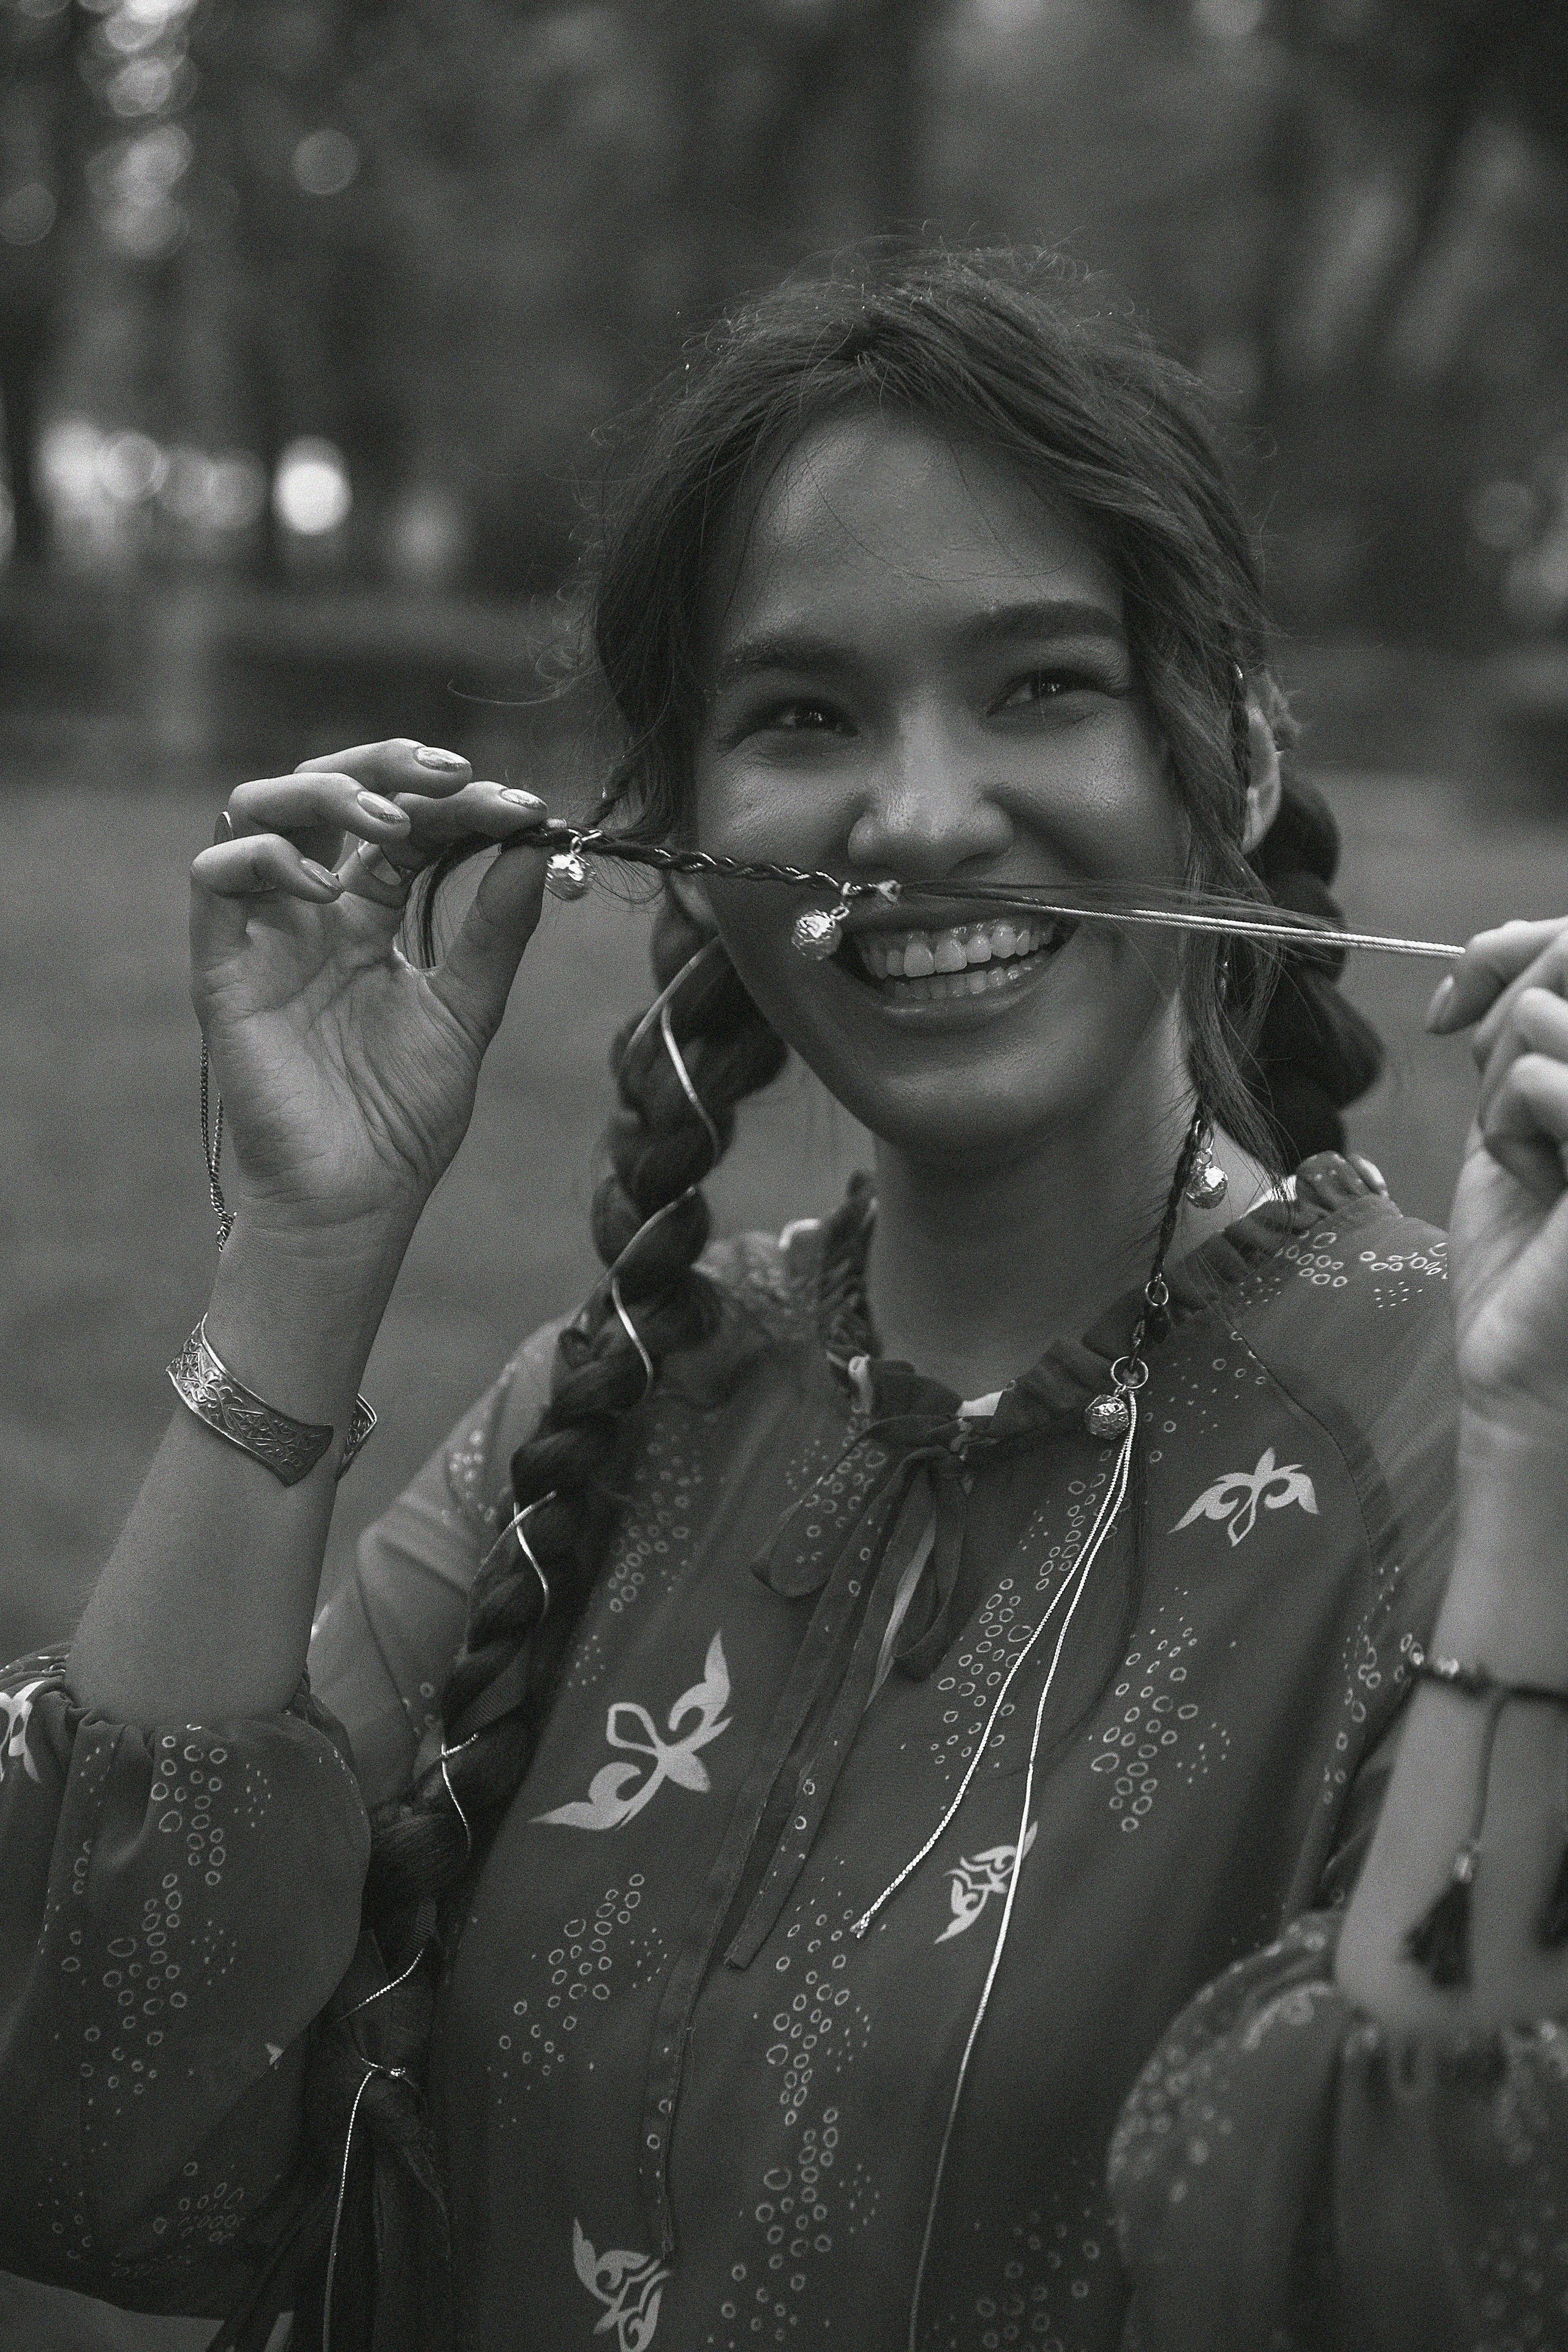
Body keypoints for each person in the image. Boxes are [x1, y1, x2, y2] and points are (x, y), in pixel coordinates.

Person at [4, 249, 1568, 2352]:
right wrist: (306, 1246)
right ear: (679, 829)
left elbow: (1445, 2277)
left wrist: (1549, 1465)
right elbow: (97, 2135)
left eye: (1041, 684)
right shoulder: (628, 1408)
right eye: (804, 715)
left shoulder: (1454, 1448)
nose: (919, 816)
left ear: (1244, 745)